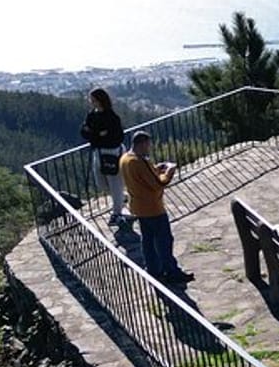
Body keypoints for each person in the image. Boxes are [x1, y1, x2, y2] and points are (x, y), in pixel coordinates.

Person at [119, 130, 194, 284]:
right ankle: (172, 272)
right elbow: (160, 183)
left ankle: (154, 270)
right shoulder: (140, 162)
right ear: (143, 144)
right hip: (152, 208)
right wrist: (170, 171)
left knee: (147, 241)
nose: (149, 148)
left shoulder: (125, 159)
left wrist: (155, 169)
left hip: (138, 206)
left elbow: (143, 177)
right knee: (164, 241)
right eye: (148, 145)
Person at [80, 87, 128, 226]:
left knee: (115, 183)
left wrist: (94, 135)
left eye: (93, 100)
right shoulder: (92, 115)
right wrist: (99, 135)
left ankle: (117, 213)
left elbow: (116, 137)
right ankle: (121, 198)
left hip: (113, 152)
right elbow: (84, 131)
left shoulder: (112, 117)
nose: (91, 102)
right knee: (102, 183)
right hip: (99, 152)